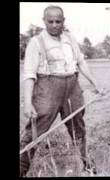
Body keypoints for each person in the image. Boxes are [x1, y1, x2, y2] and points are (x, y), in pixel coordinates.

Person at [20, 5, 102, 177]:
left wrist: (95, 83)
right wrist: (28, 103)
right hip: (47, 89)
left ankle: (86, 166)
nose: (55, 25)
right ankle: (20, 168)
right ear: (44, 21)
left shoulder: (70, 38)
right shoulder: (36, 43)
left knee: (78, 128)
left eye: (58, 21)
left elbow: (80, 62)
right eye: (51, 21)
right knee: (36, 131)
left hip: (72, 87)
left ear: (63, 21)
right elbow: (29, 74)